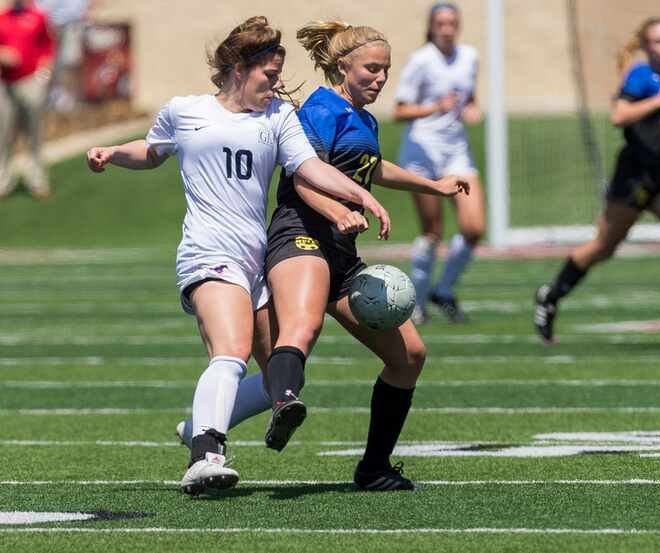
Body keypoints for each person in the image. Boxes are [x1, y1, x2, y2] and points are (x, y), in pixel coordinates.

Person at [86, 16, 390, 496]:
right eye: (269, 76)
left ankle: (199, 423)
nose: (276, 86)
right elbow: (151, 150)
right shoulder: (185, 111)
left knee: (282, 379)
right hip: (209, 252)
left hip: (255, 258)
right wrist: (110, 153)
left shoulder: (278, 119)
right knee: (228, 353)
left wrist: (363, 196)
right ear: (238, 69)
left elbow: (310, 168)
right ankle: (205, 454)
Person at [176, 20, 468, 492]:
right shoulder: (319, 109)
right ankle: (284, 404)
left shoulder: (365, 118)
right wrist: (338, 210)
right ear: (343, 65)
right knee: (303, 327)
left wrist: (431, 184)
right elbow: (303, 177)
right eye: (371, 69)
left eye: (386, 70)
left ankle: (373, 467)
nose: (380, 78)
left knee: (410, 355)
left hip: (342, 252)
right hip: (300, 236)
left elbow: (373, 167)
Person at [534, 16, 660, 345]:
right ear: (645, 45)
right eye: (659, 41)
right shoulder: (640, 74)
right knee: (603, 247)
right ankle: (550, 296)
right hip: (633, 177)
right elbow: (619, 115)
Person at [394, 2, 485, 324]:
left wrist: (472, 109)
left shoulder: (469, 57)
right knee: (432, 231)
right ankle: (415, 303)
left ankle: (443, 289)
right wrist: (435, 107)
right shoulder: (421, 60)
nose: (447, 28)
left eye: (452, 23)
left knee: (474, 228)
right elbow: (399, 111)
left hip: (456, 151)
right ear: (432, 26)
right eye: (441, 23)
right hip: (422, 151)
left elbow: (468, 97)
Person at [0, 0, 54, 200]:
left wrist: (43, 74)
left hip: (30, 82)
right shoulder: (2, 18)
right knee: (4, 135)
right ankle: (3, 182)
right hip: (6, 84)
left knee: (34, 134)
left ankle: (37, 180)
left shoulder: (37, 17)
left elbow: (48, 46)